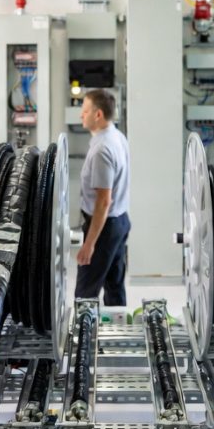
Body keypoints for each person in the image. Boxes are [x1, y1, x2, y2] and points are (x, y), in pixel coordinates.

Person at [75, 88, 131, 305]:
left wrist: (89, 244)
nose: (81, 114)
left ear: (98, 114)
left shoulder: (102, 149)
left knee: (85, 295)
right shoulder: (117, 137)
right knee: (114, 288)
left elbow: (103, 201)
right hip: (119, 221)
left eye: (85, 110)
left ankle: (83, 326)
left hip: (104, 227)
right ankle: (119, 324)